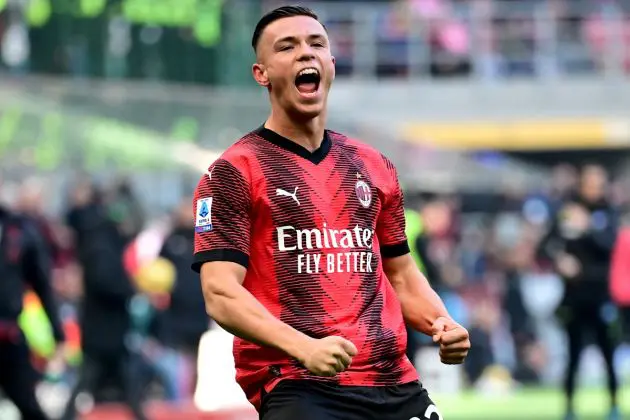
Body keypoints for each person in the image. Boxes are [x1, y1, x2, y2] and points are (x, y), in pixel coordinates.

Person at [191, 6, 470, 420]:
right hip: (298, 382)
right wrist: (305, 347)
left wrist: (440, 323)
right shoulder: (233, 171)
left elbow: (401, 274)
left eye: (316, 44)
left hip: (392, 379)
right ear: (261, 73)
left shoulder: (375, 166)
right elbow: (220, 294)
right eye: (287, 47)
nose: (306, 53)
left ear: (331, 65)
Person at [538, 164, 620, 420]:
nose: (594, 189)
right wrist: (559, 259)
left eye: (598, 184)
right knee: (572, 354)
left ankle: (614, 405)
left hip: (602, 296)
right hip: (573, 297)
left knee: (608, 352)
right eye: (590, 183)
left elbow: (609, 246)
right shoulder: (566, 213)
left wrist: (586, 227)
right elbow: (543, 248)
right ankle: (570, 407)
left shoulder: (608, 213)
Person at [0, 199, 65, 420]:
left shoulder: (17, 231)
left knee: (30, 407)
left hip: (8, 338)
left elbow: (42, 284)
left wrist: (58, 333)